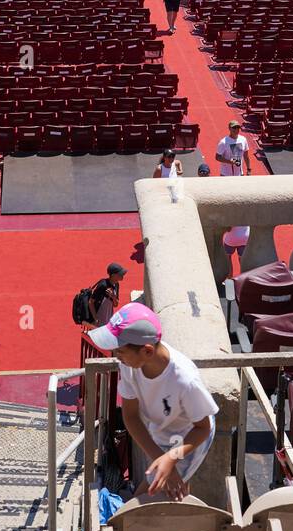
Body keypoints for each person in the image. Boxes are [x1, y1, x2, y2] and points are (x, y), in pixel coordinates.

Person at [89, 303, 218, 500]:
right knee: (169, 488)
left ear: (147, 351)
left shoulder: (184, 380)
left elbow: (203, 428)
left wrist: (171, 458)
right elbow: (131, 416)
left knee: (146, 501)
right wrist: (161, 457)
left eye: (120, 351)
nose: (116, 356)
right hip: (163, 427)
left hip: (190, 434)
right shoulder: (129, 363)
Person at [216, 118, 252, 262]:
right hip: (226, 175)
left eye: (238, 128)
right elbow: (217, 157)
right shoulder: (223, 142)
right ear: (229, 129)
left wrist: (248, 170)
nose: (236, 130)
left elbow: (246, 156)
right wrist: (229, 161)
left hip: (239, 175)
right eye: (233, 128)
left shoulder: (243, 140)